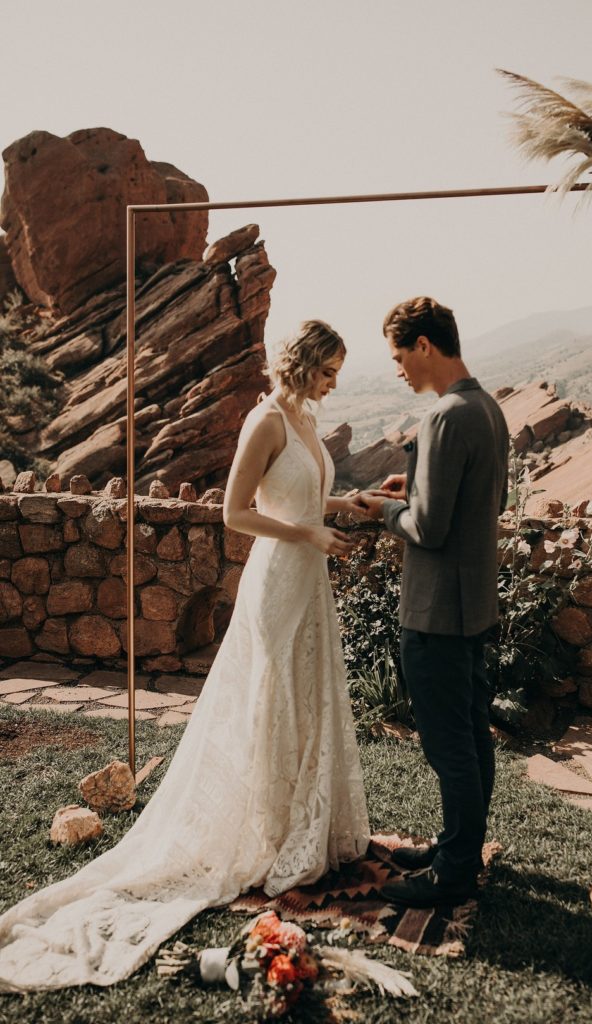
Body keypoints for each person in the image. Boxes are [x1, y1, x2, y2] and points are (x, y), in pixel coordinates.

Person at [0, 319, 370, 991]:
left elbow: (304, 497)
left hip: (305, 575)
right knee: (272, 695)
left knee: (305, 692)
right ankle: (263, 827)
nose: (333, 382)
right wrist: (307, 534)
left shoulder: (307, 421)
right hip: (278, 577)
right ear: (304, 363)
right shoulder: (265, 420)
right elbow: (235, 512)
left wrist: (349, 502)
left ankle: (297, 821)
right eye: (327, 370)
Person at [357, 296, 508, 909]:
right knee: (471, 737)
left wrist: (385, 508)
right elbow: (484, 504)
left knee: (449, 746)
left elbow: (429, 531)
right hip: (475, 606)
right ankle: (458, 849)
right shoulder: (487, 407)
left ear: (424, 345)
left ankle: (454, 874)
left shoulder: (445, 416)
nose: (398, 369)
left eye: (399, 355)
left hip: (437, 610)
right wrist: (416, 486)